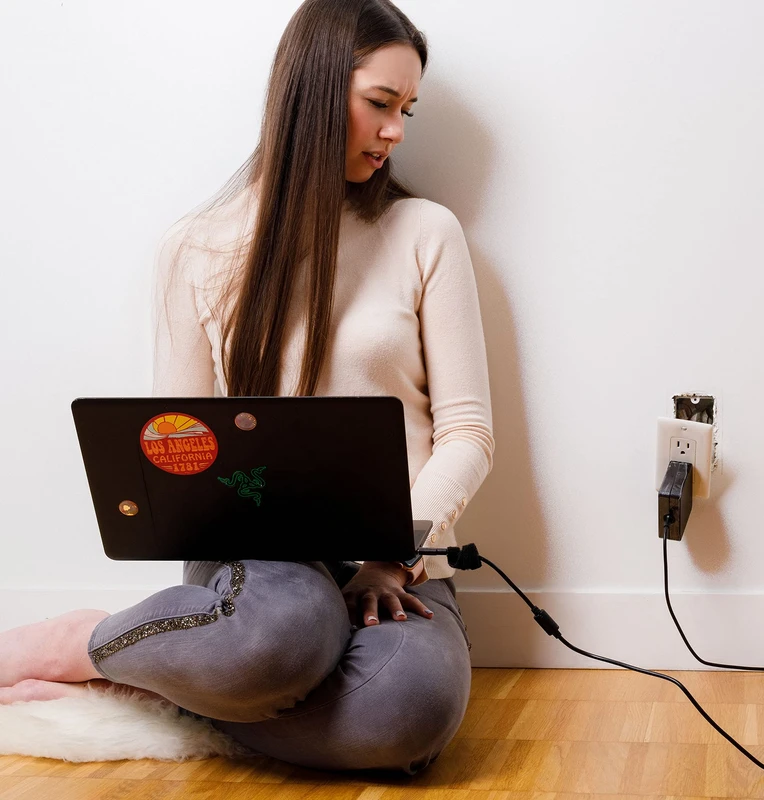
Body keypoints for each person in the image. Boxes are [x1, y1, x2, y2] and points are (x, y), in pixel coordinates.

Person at [0, 0, 493, 774]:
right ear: (313, 90)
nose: (397, 130)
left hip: (397, 557)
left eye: (408, 109)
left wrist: (393, 555)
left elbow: (467, 432)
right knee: (281, 636)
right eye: (380, 103)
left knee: (406, 712)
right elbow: (178, 447)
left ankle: (170, 689)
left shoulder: (425, 232)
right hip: (256, 566)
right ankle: (81, 642)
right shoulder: (196, 247)